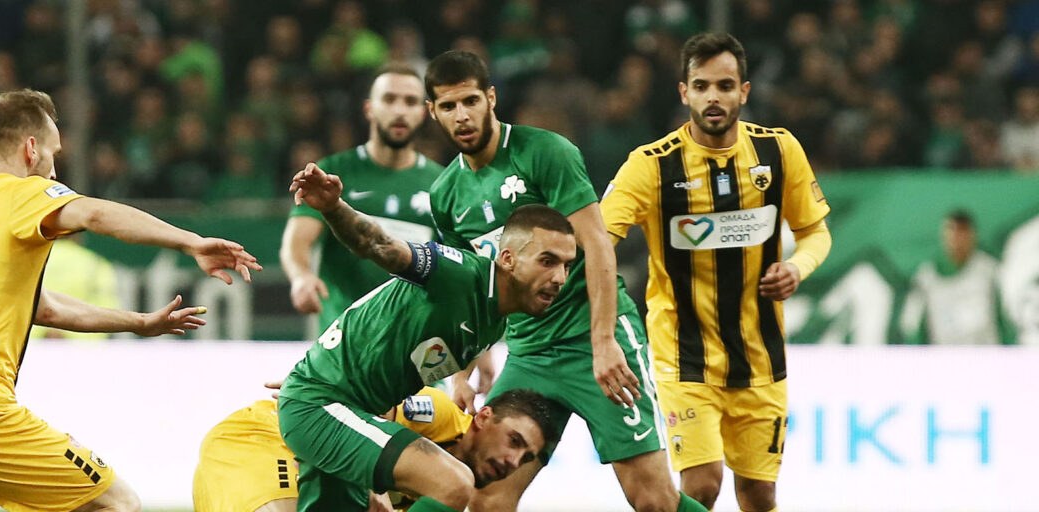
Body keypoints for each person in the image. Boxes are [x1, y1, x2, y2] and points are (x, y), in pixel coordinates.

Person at [0, 89, 261, 511]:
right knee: (117, 504)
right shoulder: (21, 193)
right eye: (54, 153)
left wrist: (139, 322)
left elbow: (41, 307)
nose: (54, 170)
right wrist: (190, 241)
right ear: (31, 149)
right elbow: (94, 214)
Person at [422, 50, 706, 512]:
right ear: (432, 112)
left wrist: (604, 342)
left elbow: (598, 244)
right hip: (529, 353)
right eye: (448, 106)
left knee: (653, 499)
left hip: (592, 337)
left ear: (491, 98)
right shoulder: (445, 194)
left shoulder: (545, 153)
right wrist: (464, 369)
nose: (462, 115)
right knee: (486, 497)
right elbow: (472, 288)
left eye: (470, 101)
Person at [599, 33, 833, 512]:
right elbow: (599, 242)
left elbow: (815, 232)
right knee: (703, 483)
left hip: (760, 358)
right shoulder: (651, 165)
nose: (713, 97)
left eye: (724, 86)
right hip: (684, 356)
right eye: (701, 86)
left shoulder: (777, 151)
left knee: (759, 495)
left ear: (743, 91)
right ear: (683, 92)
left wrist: (797, 267)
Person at [280, 163, 575, 512]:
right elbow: (380, 245)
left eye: (567, 266)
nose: (560, 278)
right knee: (454, 483)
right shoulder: (460, 274)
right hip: (323, 404)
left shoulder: (495, 324)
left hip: (353, 415)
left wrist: (461, 380)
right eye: (547, 261)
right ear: (508, 259)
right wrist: (333, 207)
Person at [193, 386, 561, 512]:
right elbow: (361, 405)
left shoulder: (446, 496)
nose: (513, 461)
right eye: (514, 441)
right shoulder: (440, 414)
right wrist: (374, 483)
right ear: (483, 418)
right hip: (265, 438)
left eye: (526, 458)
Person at [281, 64, 445, 333]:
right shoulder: (333, 173)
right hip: (342, 338)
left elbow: (458, 266)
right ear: (369, 108)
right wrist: (301, 277)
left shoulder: (442, 184)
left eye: (410, 101)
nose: (400, 110)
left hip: (413, 341)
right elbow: (298, 240)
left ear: (424, 112)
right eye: (389, 99)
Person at [900, 209, 1014, 345]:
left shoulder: (990, 271)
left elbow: (1007, 320)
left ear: (973, 235)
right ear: (943, 235)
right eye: (951, 231)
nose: (957, 238)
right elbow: (912, 327)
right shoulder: (925, 279)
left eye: (962, 231)